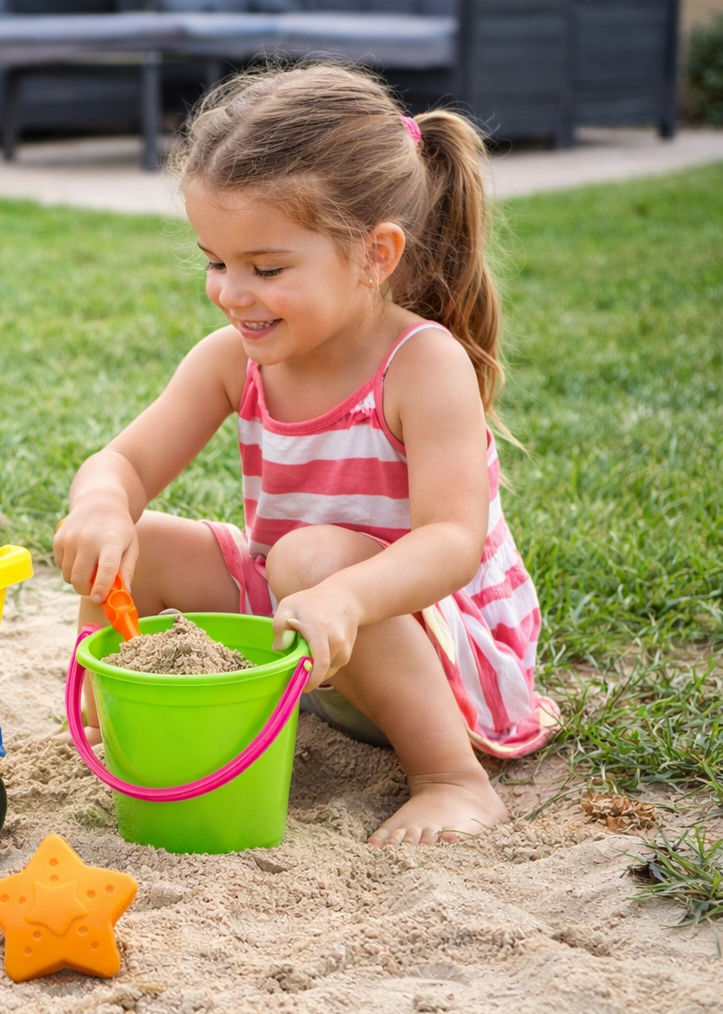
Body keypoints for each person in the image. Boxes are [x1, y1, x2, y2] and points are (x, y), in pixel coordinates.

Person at [53, 64, 558, 847]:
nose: (230, 292)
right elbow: (123, 463)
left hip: (422, 644)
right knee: (147, 543)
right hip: (300, 622)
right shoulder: (233, 359)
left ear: (375, 255)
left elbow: (452, 544)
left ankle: (451, 778)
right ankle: (110, 698)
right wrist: (101, 506)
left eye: (267, 268)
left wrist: (348, 597)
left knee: (310, 557)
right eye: (215, 261)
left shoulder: (422, 365)